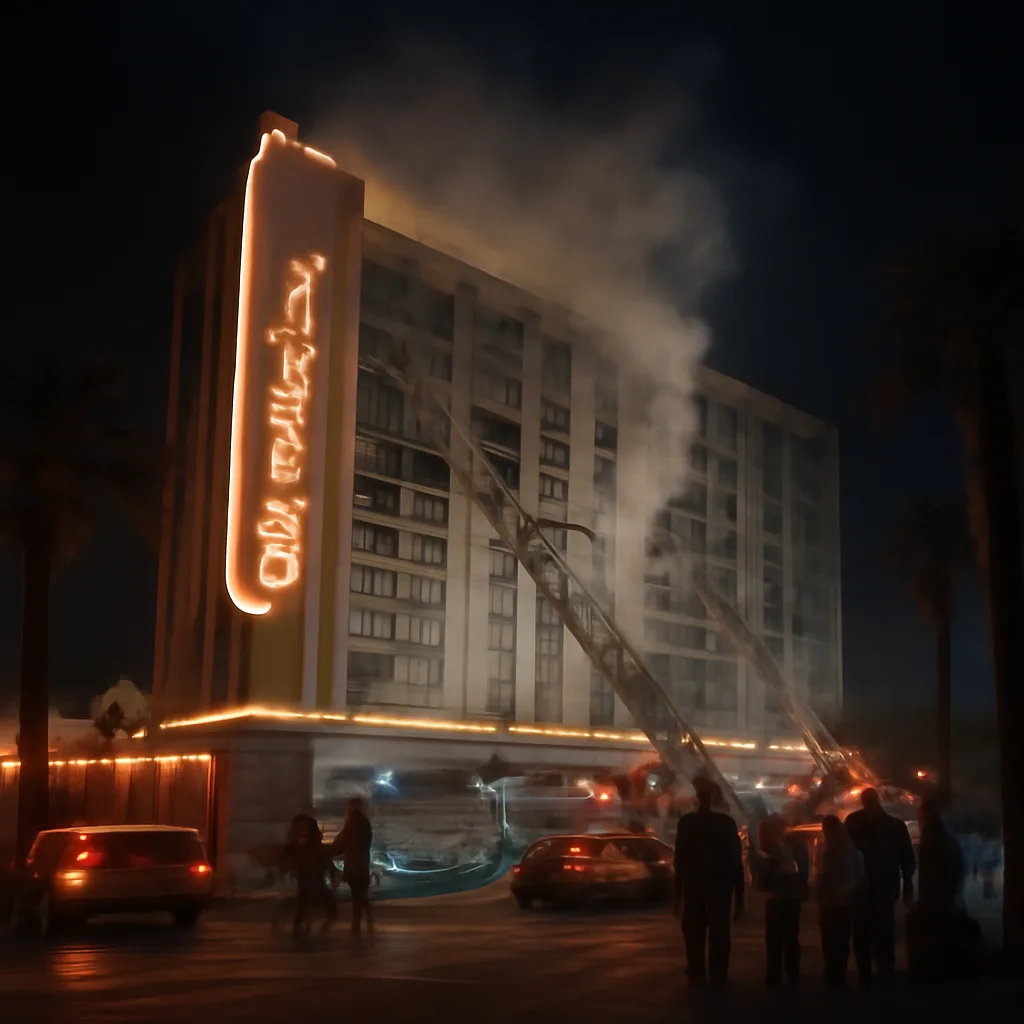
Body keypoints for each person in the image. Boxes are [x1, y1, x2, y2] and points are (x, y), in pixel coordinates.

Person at [673, 776, 745, 988]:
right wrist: (740, 899)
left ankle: (696, 972)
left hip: (694, 887)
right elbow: (735, 862)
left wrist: (677, 896)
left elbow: (680, 861)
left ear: (697, 797)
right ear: (714, 797)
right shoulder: (726, 824)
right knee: (720, 932)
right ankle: (718, 972)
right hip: (720, 888)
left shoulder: (687, 823)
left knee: (694, 933)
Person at [844, 788, 916, 985]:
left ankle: (869, 971)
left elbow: (845, 853)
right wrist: (907, 885)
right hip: (881, 885)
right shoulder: (894, 826)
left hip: (867, 886)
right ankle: (883, 969)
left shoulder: (854, 822)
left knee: (867, 930)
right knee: (880, 929)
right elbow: (907, 858)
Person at [756, 814, 810, 988]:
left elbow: (764, 879)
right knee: (790, 937)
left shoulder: (774, 850)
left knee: (775, 939)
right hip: (790, 897)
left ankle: (775, 975)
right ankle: (791, 973)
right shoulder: (794, 847)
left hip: (777, 898)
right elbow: (801, 870)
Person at [816, 815, 866, 988]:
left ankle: (834, 974)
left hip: (836, 902)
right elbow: (859, 876)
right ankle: (836, 974)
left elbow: (823, 876)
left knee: (833, 940)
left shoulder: (837, 850)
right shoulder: (847, 849)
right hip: (839, 902)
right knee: (838, 941)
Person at [285, 813, 336, 937]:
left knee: (312, 899)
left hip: (314, 881)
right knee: (305, 900)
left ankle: (311, 925)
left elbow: (326, 861)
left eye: (300, 827)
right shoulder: (297, 846)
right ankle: (300, 926)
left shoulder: (313, 846)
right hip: (306, 882)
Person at [331, 797, 374, 938]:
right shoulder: (363, 823)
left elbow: (343, 842)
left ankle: (357, 924)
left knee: (357, 893)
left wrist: (331, 851)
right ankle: (362, 921)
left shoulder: (353, 822)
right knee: (359, 894)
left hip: (354, 864)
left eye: (348, 807)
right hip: (360, 863)